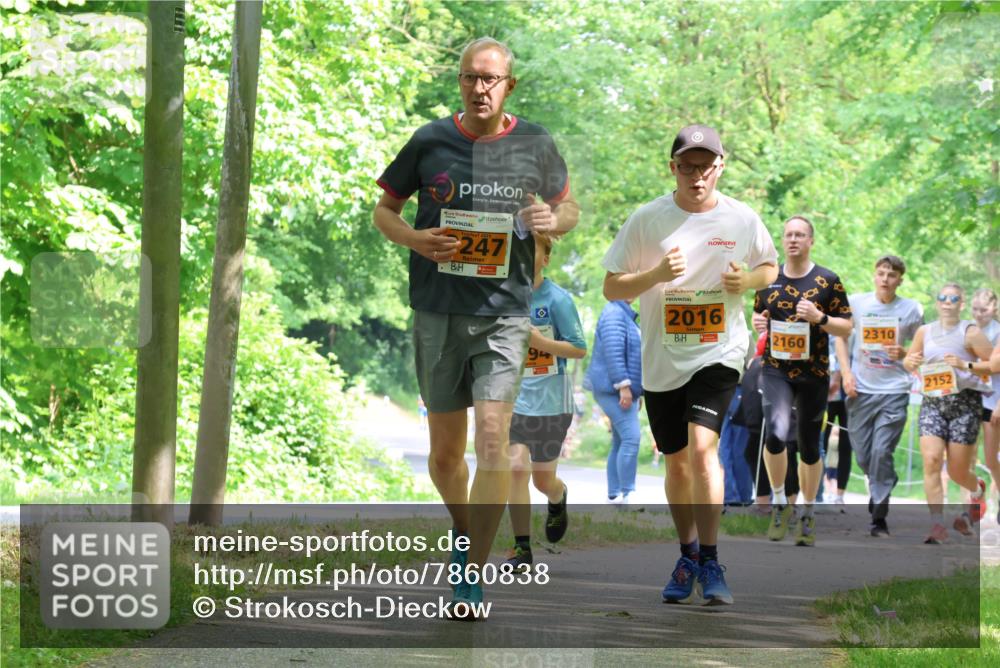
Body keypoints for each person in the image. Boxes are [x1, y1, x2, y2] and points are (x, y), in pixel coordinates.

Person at [372, 37, 578, 617]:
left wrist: (551, 217)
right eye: (469, 77)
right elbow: (383, 210)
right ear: (460, 82)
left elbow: (569, 209)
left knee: (493, 438)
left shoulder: (533, 142)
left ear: (508, 85)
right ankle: (467, 534)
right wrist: (415, 238)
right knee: (445, 457)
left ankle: (471, 572)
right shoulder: (429, 140)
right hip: (437, 308)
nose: (479, 88)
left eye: (490, 79)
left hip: (504, 314)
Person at [603, 124, 778, 605]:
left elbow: (770, 267)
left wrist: (747, 281)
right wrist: (657, 274)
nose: (697, 176)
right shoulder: (647, 219)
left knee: (704, 450)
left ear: (721, 166)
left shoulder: (741, 219)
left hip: (719, 351)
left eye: (707, 166)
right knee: (677, 463)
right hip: (663, 359)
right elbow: (612, 287)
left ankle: (713, 559)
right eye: (688, 166)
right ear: (673, 168)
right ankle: (688, 555)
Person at [753, 216, 853, 546]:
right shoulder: (768, 278)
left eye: (800, 234)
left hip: (814, 373)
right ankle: (781, 503)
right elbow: (760, 316)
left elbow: (846, 327)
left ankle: (807, 513)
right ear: (783, 240)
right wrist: (758, 322)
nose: (794, 239)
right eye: (789, 234)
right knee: (776, 433)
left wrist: (820, 318)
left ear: (811, 240)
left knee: (809, 446)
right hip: (776, 370)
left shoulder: (828, 280)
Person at [504, 235, 586, 571]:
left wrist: (539, 342)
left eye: (531, 249)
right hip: (514, 400)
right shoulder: (502, 297)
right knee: (516, 468)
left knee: (541, 479)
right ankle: (521, 547)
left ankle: (557, 495)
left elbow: (579, 348)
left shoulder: (558, 300)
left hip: (553, 402)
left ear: (546, 257)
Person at [834, 255, 924, 536]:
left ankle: (879, 517)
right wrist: (846, 373)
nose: (885, 279)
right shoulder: (857, 304)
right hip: (860, 389)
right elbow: (840, 337)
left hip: (894, 389)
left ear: (900, 280)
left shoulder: (912, 310)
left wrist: (905, 353)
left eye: (892, 275)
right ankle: (884, 478)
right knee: (864, 455)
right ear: (874, 275)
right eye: (881, 273)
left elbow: (921, 350)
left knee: (881, 450)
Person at [904, 283, 994, 543]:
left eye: (953, 298)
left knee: (957, 471)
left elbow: (993, 367)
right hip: (933, 402)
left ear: (961, 303)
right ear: (937, 302)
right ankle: (936, 525)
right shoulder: (925, 331)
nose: (947, 302)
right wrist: (909, 362)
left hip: (964, 404)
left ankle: (976, 490)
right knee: (931, 460)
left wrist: (965, 365)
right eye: (942, 298)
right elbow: (910, 361)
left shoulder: (971, 332)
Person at [585, 299, 643, 504]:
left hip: (619, 389)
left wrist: (636, 392)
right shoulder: (614, 312)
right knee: (632, 437)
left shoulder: (623, 312)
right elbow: (614, 352)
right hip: (612, 388)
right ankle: (628, 492)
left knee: (620, 440)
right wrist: (624, 386)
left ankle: (615, 492)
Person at [971, 288, 1000, 521]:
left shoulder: (998, 332)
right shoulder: (964, 330)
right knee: (966, 458)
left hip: (993, 400)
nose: (979, 314)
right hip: (968, 400)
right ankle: (971, 507)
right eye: (976, 309)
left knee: (991, 460)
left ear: (994, 309)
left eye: (984, 309)